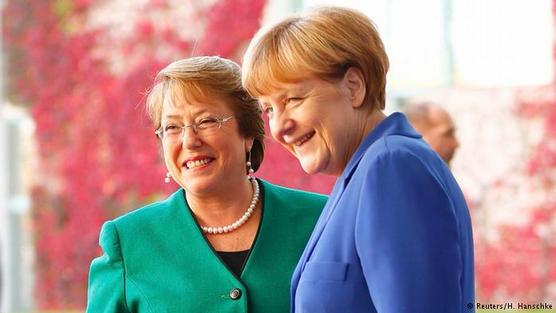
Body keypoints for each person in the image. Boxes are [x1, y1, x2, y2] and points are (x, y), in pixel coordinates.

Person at [242, 6, 475, 313]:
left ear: (353, 87)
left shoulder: (392, 167)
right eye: (269, 109)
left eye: (293, 99)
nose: (279, 127)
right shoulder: (363, 174)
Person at [86, 56, 327, 313]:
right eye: (172, 127)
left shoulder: (321, 219)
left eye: (206, 121)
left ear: (247, 134)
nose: (189, 141)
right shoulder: (127, 241)